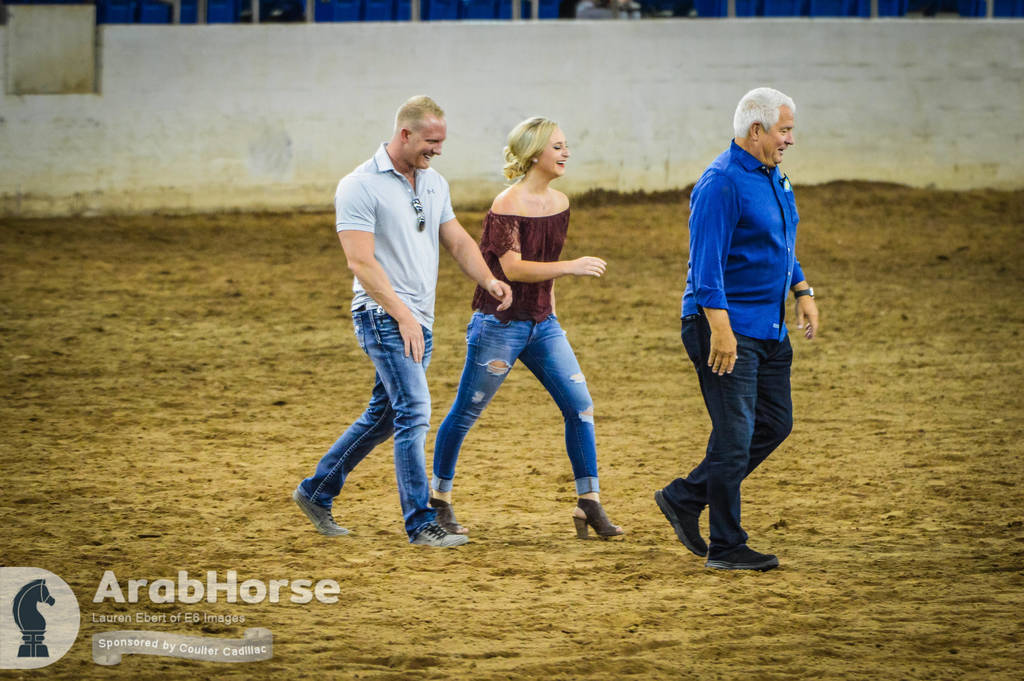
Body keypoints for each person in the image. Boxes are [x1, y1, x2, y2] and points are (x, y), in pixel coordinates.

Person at [292, 96, 513, 548]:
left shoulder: (433, 183)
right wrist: (403, 316)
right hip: (382, 315)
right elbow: (360, 262)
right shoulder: (359, 185)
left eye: (442, 142)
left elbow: (456, 239)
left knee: (386, 417)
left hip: (418, 319)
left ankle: (316, 490)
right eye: (431, 141)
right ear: (405, 134)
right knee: (414, 412)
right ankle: (420, 522)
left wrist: (489, 280)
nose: (437, 150)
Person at [428, 116, 623, 540]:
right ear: (535, 154)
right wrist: (572, 268)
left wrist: (551, 308)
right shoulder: (506, 205)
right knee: (465, 412)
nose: (565, 152)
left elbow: (543, 264)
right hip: (498, 325)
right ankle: (438, 500)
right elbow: (514, 268)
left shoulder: (560, 203)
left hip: (542, 324)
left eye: (565, 145)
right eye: (557, 146)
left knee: (580, 406)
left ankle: (588, 501)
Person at [655, 87, 820, 571]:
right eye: (783, 130)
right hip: (725, 327)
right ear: (756, 130)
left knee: (774, 423)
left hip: (768, 328)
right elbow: (705, 266)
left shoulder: (774, 178)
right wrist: (720, 331)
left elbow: (781, 244)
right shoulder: (721, 183)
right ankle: (726, 546)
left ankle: (686, 497)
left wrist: (802, 290)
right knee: (734, 434)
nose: (790, 139)